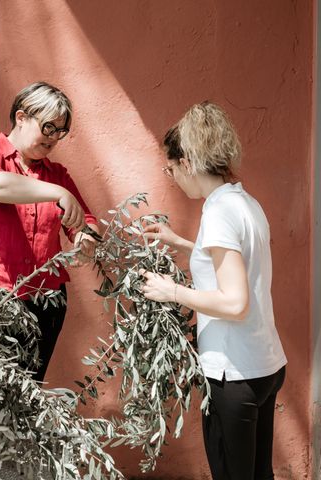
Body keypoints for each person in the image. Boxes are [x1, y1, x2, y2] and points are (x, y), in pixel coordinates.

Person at [140, 101, 287, 480]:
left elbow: (234, 302)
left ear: (187, 162)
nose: (171, 177)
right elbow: (238, 262)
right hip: (264, 364)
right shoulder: (243, 203)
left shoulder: (217, 213)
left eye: (170, 169)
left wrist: (171, 291)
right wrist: (184, 243)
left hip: (233, 371)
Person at [0, 81, 99, 382]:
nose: (54, 138)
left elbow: (87, 220)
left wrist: (85, 239)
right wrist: (56, 192)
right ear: (21, 117)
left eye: (61, 131)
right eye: (48, 127)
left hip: (45, 301)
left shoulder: (56, 174)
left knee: (28, 395)